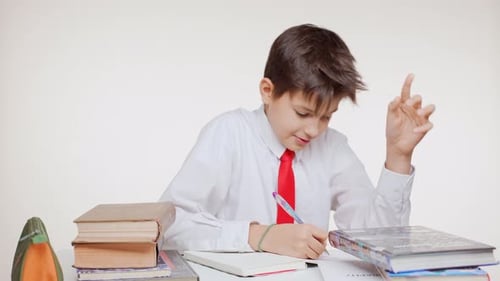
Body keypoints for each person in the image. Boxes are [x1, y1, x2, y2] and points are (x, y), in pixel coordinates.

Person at [159, 23, 435, 259]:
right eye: (303, 113)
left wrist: (398, 156)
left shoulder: (332, 147)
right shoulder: (228, 134)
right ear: (268, 91)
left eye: (327, 116)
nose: (314, 130)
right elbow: (170, 228)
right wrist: (259, 236)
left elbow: (380, 242)